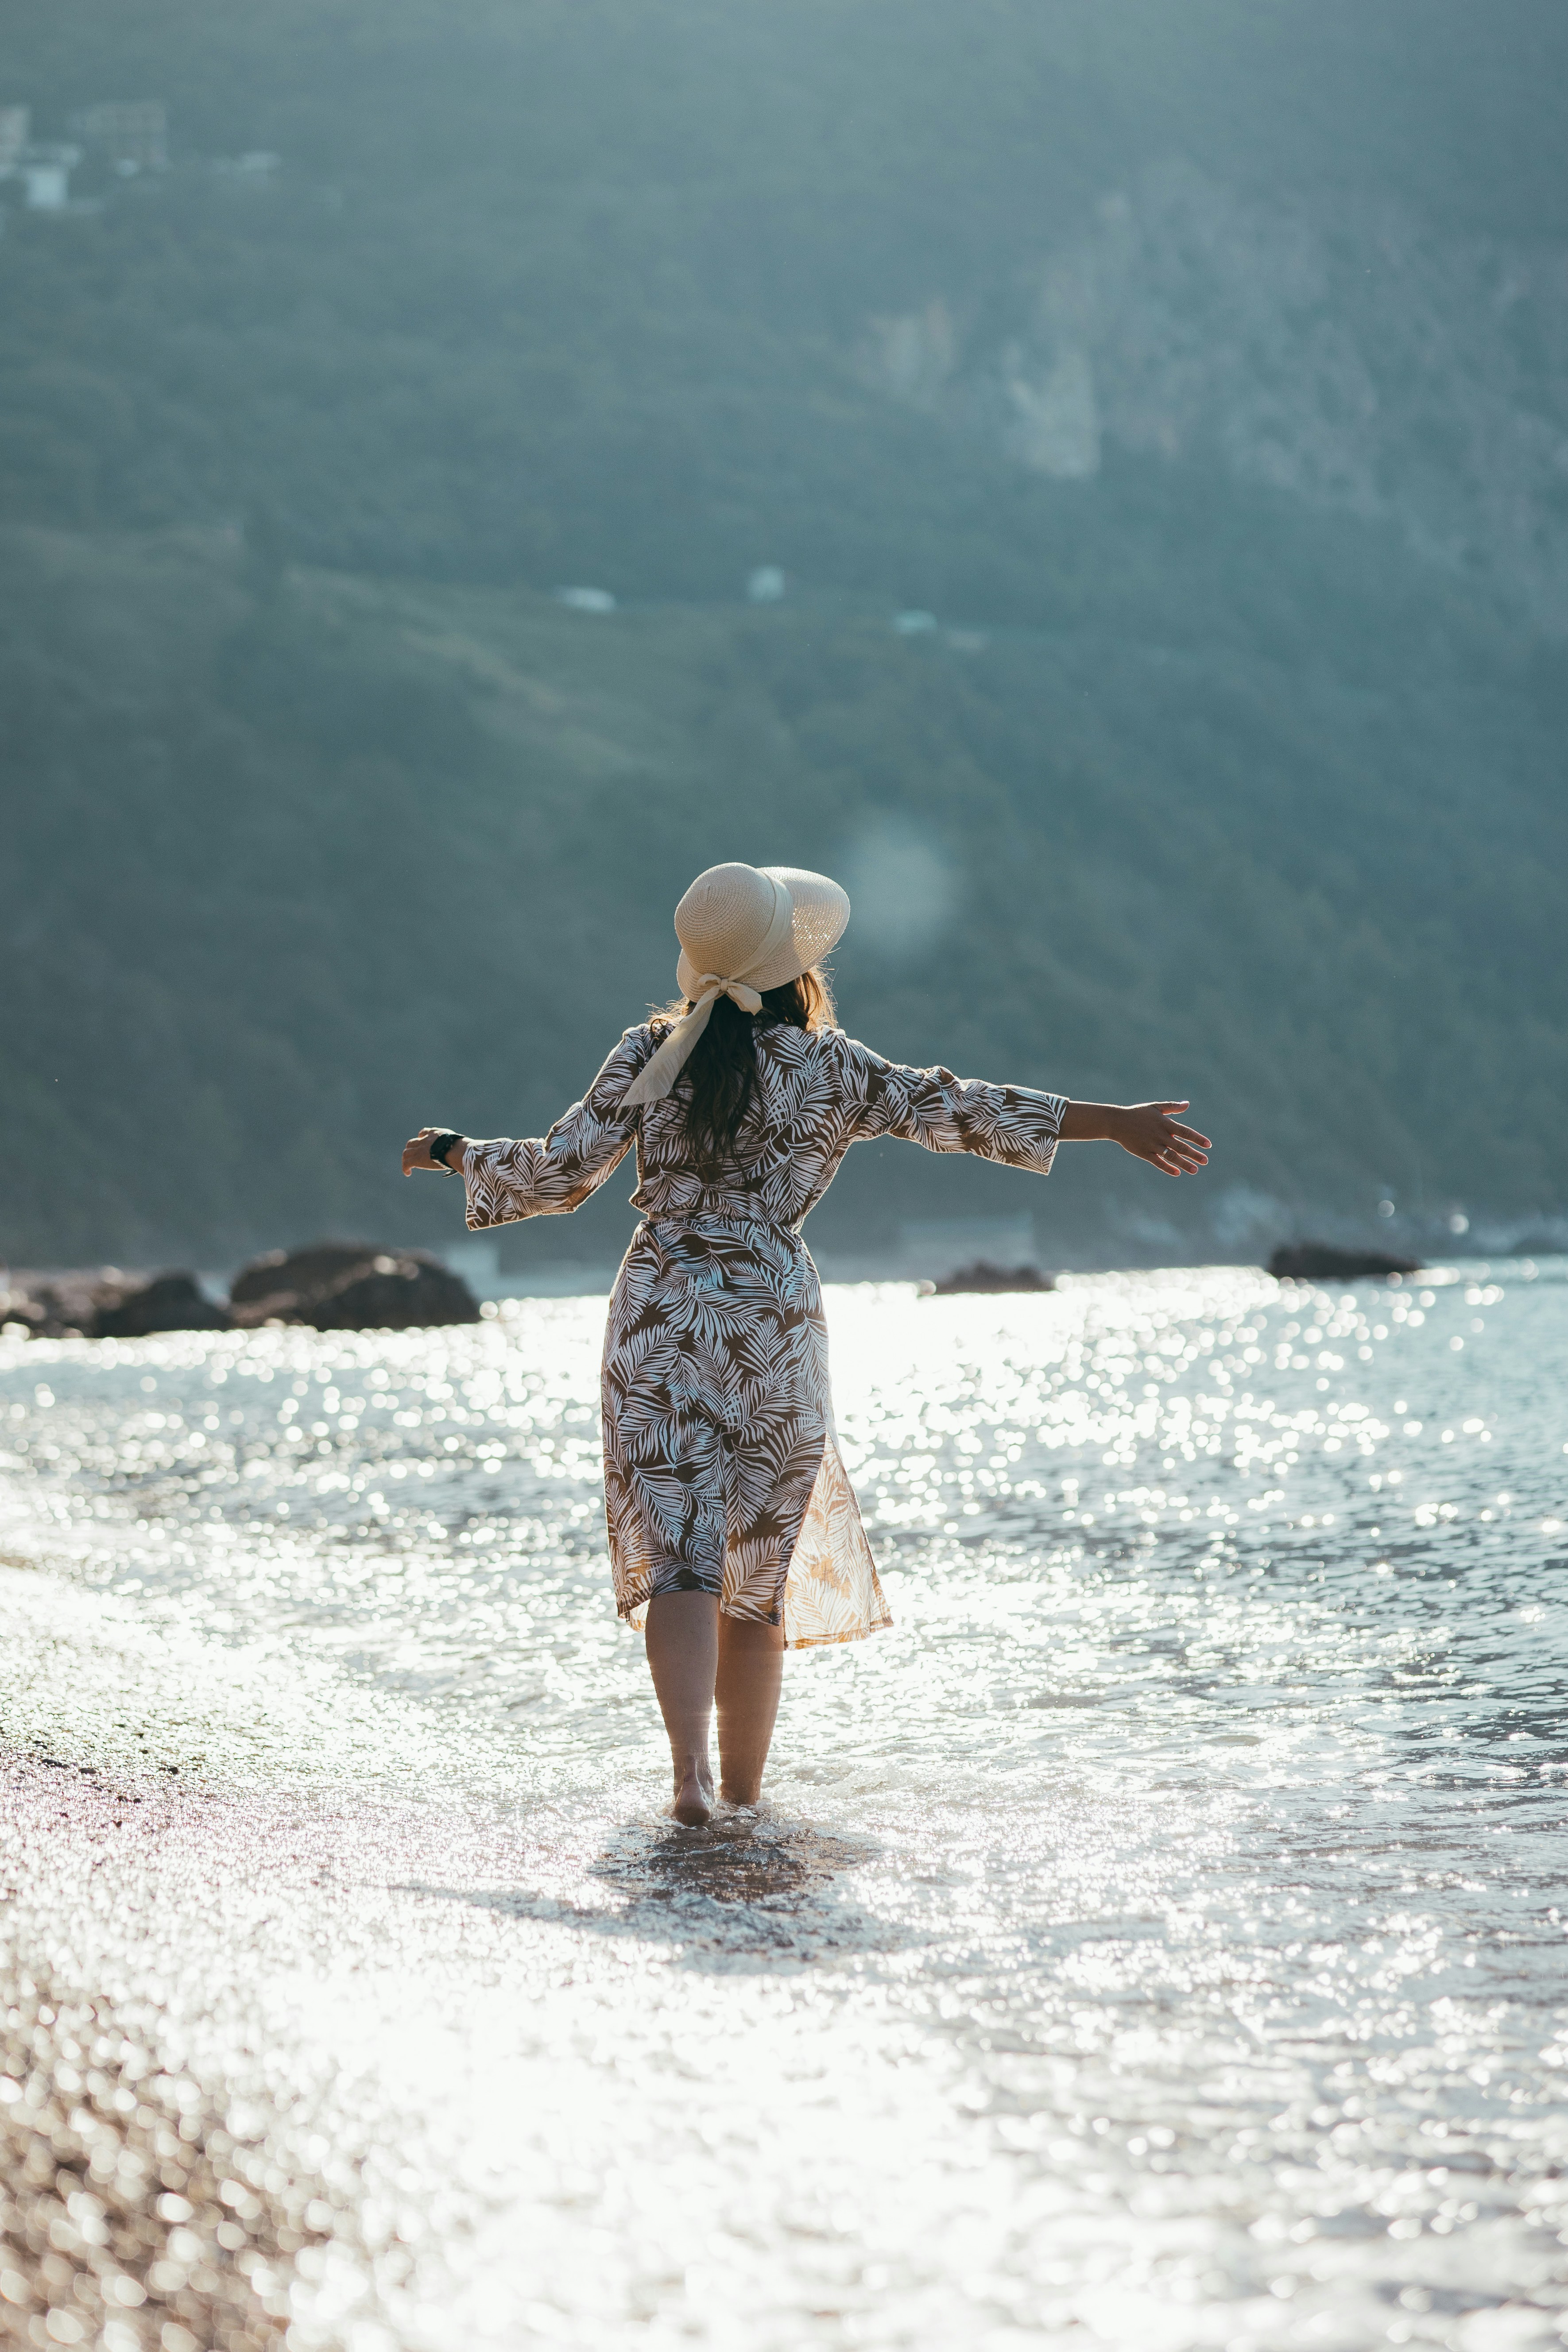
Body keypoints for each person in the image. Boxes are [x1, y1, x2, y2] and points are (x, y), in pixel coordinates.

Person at [403, 861, 1210, 1825]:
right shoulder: (834, 1068)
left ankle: (690, 1781)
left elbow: (558, 1173)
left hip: (660, 1312)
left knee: (679, 1561)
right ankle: (743, 1800)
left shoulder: (650, 1050)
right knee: (755, 1575)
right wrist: (1108, 1123)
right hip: (773, 1322)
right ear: (795, 967)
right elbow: (960, 1108)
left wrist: (458, 1150)